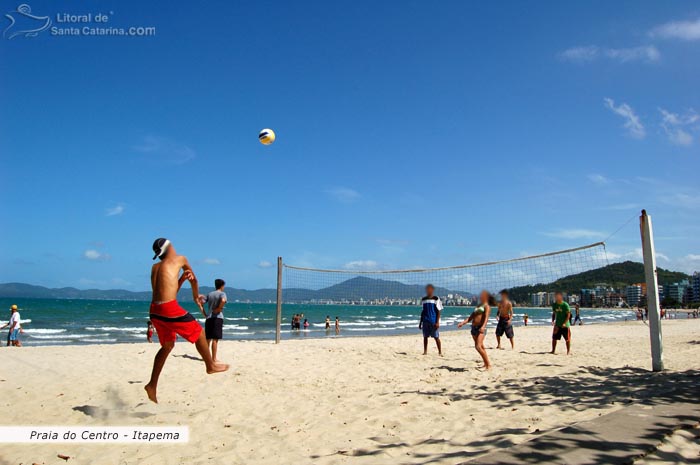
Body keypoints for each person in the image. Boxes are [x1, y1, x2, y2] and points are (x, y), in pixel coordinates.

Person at [144, 238, 228, 403]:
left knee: (167, 346)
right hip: (169, 308)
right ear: (170, 248)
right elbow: (194, 280)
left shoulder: (155, 268)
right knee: (199, 332)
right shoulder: (180, 259)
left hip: (155, 310)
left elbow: (166, 291)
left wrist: (181, 280)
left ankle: (152, 385)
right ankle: (210, 365)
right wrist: (196, 296)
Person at [457, 290, 493, 369]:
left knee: (478, 346)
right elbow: (470, 317)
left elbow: (486, 317)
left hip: (481, 328)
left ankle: (488, 365)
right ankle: (486, 363)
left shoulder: (487, 306)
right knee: (481, 346)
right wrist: (462, 323)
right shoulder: (478, 306)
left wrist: (483, 327)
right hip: (474, 328)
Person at [201, 279, 227, 363]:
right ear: (222, 286)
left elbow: (201, 302)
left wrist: (204, 313)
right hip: (217, 317)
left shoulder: (210, 294)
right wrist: (219, 308)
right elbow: (223, 300)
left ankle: (206, 357)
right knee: (215, 340)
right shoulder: (222, 293)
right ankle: (214, 358)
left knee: (208, 338)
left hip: (209, 318)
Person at [418, 284, 443, 356]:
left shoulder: (436, 298)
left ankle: (440, 352)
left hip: (433, 321)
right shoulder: (423, 299)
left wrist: (437, 322)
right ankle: (425, 351)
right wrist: (420, 323)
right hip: (426, 321)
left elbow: (438, 311)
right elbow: (423, 311)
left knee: (436, 337)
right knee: (425, 337)